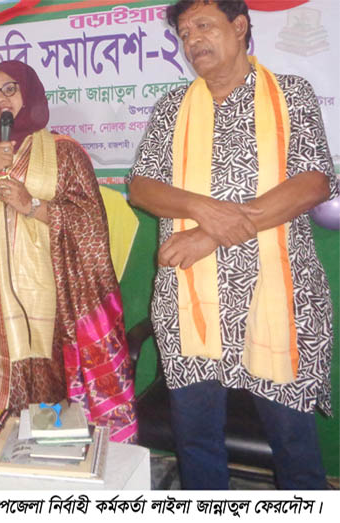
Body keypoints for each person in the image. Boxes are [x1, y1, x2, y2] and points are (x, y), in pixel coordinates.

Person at [127, 0, 336, 489]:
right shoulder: (172, 107)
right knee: (196, 443)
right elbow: (141, 188)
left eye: (203, 25)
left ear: (239, 27)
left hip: (279, 302)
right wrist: (203, 209)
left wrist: (209, 235)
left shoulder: (292, 94)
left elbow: (314, 182)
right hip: (189, 307)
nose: (192, 40)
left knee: (295, 450)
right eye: (184, 33)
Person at [0, 60, 137, 442]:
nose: (0, 100)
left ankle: (42, 468)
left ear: (30, 92)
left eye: (10, 89)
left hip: (42, 300)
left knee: (41, 410)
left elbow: (91, 223)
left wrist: (32, 206)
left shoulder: (64, 151)